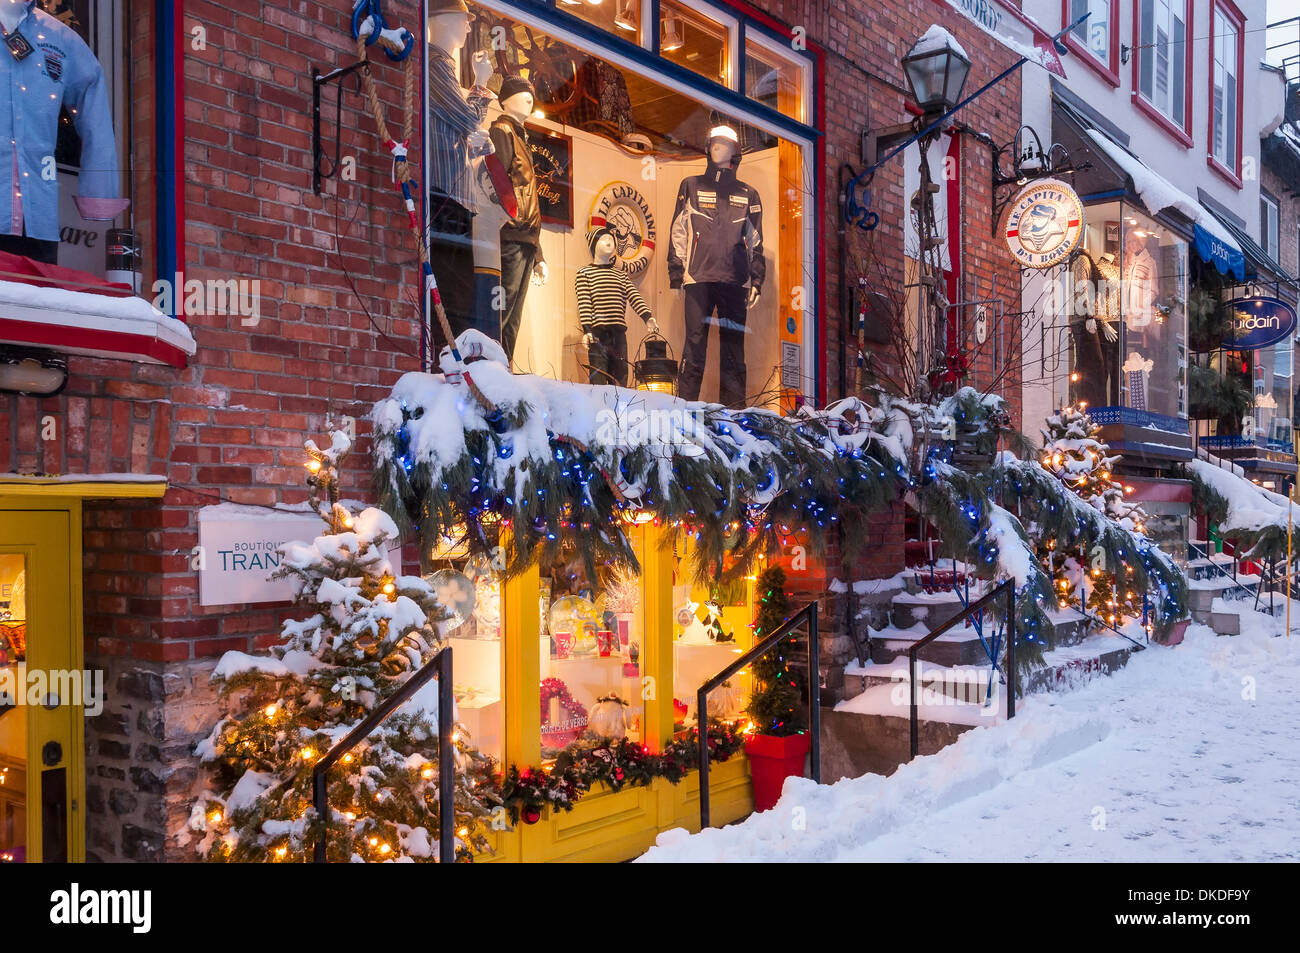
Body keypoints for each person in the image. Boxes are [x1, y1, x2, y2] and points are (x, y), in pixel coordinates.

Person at [0, 0, 127, 264]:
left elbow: (93, 108)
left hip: (37, 222)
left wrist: (99, 192)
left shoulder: (59, 38)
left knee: (35, 292)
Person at [666, 125, 764, 407]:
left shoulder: (748, 194)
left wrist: (757, 280)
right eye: (715, 144)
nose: (719, 149)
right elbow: (678, 231)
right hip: (698, 277)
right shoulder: (691, 185)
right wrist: (676, 274)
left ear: (735, 152)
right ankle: (685, 410)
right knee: (694, 345)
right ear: (708, 148)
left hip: (736, 280)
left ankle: (733, 416)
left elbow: (756, 240)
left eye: (726, 145)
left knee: (734, 351)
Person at [426, 0, 494, 345]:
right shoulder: (434, 65)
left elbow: (457, 131)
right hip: (444, 199)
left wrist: (473, 144)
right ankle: (444, 361)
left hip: (452, 198)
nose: (468, 27)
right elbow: (468, 119)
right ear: (444, 20)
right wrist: (481, 83)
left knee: (456, 295)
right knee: (451, 295)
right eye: (463, 20)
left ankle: (448, 359)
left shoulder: (442, 68)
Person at [488, 75, 548, 365]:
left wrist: (539, 255)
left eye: (531, 94)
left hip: (525, 236)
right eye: (522, 92)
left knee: (513, 316)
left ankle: (504, 368)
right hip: (510, 233)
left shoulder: (521, 137)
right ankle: (495, 369)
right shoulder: (502, 131)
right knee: (503, 311)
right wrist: (508, 220)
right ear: (505, 99)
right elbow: (498, 183)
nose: (529, 97)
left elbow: (528, 198)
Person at [575, 226, 657, 386]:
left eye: (611, 239)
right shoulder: (585, 273)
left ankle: (620, 403)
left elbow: (634, 296)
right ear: (594, 245)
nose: (609, 241)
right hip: (598, 335)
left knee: (620, 378)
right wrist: (587, 330)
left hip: (618, 335)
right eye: (603, 239)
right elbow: (584, 303)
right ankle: (599, 402)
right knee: (598, 378)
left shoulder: (620, 275)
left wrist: (647, 317)